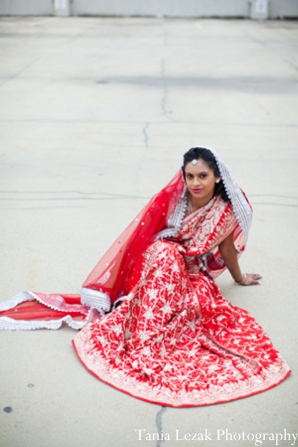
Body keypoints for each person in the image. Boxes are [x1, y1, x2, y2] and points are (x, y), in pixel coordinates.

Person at [0, 147, 290, 407]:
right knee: (165, 253)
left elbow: (226, 246)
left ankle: (155, 334)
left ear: (217, 176)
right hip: (155, 262)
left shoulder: (224, 210)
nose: (196, 183)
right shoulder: (172, 199)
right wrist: (126, 281)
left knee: (195, 305)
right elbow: (140, 240)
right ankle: (145, 338)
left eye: (203, 175)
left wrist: (239, 278)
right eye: (190, 176)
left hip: (189, 271)